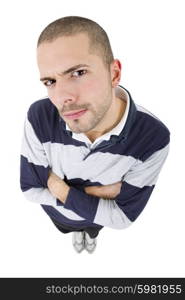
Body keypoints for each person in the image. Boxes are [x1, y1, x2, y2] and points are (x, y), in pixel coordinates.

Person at [20, 16, 170, 254]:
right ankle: (75, 234)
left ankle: (89, 236)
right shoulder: (39, 116)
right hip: (59, 214)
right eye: (50, 81)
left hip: (95, 220)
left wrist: (58, 186)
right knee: (67, 227)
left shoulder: (153, 138)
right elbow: (30, 190)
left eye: (78, 72)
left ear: (114, 73)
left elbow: (122, 217)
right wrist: (104, 193)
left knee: (91, 229)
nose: (61, 98)